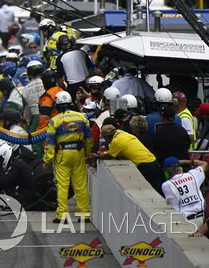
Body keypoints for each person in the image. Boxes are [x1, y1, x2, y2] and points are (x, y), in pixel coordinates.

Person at [43, 90, 93, 223]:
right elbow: (89, 139)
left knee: (62, 186)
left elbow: (49, 143)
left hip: (62, 156)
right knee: (80, 185)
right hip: (79, 153)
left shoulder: (54, 121)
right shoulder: (82, 118)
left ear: (57, 106)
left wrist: (46, 160)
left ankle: (62, 216)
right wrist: (88, 154)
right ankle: (84, 215)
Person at [89, 124, 164, 193]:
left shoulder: (116, 141)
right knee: (158, 191)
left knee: (148, 191)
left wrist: (97, 157)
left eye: (105, 138)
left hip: (145, 166)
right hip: (153, 162)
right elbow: (116, 152)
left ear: (107, 137)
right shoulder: (121, 133)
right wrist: (104, 154)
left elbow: (110, 155)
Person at [161, 157, 209, 227]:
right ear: (180, 168)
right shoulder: (193, 174)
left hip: (185, 221)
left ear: (166, 172)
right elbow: (204, 164)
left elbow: (174, 206)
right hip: (201, 218)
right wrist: (184, 161)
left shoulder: (167, 185)